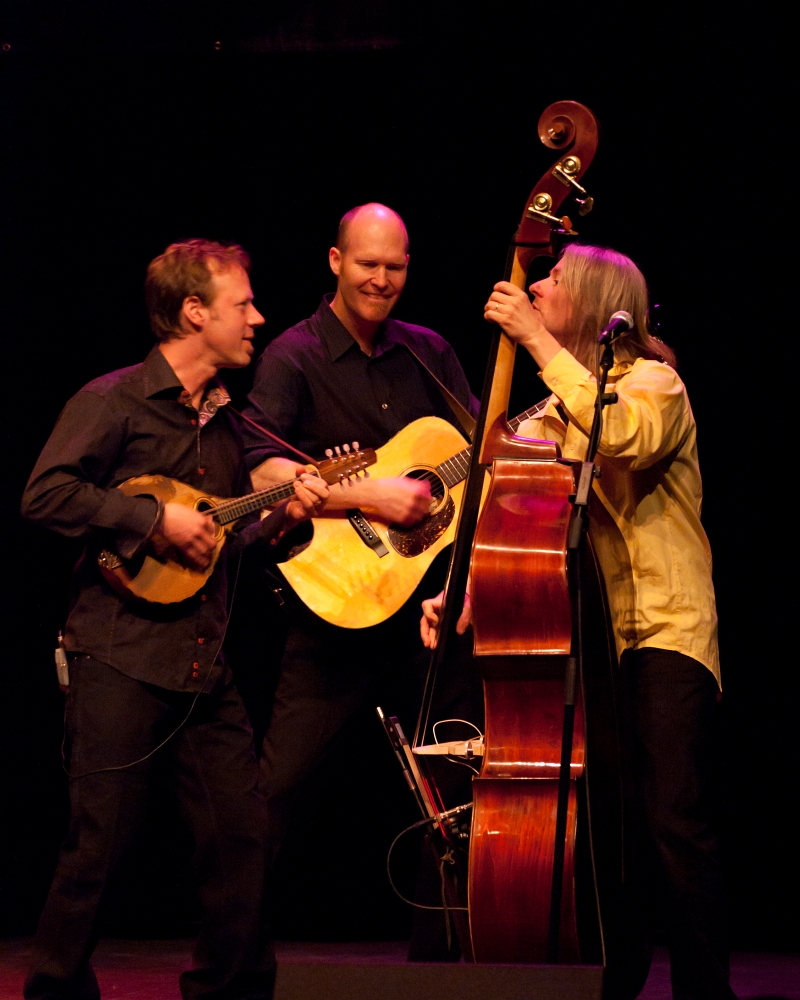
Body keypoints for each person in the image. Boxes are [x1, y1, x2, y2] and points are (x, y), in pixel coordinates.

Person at [421, 243, 734, 999]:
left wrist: (535, 340)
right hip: (595, 639)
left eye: (554, 279)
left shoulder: (655, 383)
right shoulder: (563, 404)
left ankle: (706, 990)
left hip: (665, 631)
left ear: (591, 300)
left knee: (670, 818)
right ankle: (616, 984)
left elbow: (620, 437)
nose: (537, 285)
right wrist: (468, 589)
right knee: (612, 830)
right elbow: (518, 506)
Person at [21, 239, 328, 1000]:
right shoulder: (114, 401)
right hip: (119, 657)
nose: (258, 318)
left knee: (241, 839)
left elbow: (223, 547)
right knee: (100, 850)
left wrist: (285, 518)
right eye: (242, 304)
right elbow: (45, 494)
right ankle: (54, 992)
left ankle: (232, 992)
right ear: (194, 312)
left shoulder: (227, 425)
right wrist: (151, 519)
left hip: (202, 664)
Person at [241, 203, 481, 957]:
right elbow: (260, 471)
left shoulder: (429, 353)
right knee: (279, 788)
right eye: (368, 263)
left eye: (395, 266)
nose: (381, 279)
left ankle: (443, 960)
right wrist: (372, 496)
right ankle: (233, 957)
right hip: (334, 609)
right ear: (336, 261)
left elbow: (480, 453)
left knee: (451, 782)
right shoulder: (293, 355)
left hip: (426, 612)